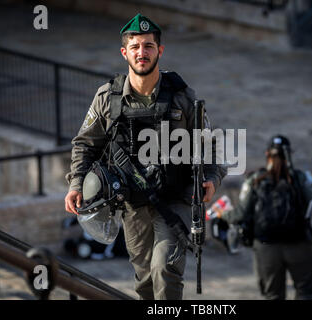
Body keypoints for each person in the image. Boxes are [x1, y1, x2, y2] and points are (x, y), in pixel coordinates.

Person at [64, 13, 226, 300]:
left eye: (149, 46)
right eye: (136, 46)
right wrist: (76, 183)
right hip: (131, 203)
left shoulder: (182, 97)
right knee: (145, 281)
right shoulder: (107, 98)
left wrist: (211, 177)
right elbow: (85, 144)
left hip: (175, 200)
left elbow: (210, 145)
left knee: (165, 269)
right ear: (124, 52)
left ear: (159, 51)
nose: (142, 52)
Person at [217, 135, 312, 300]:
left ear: (267, 154)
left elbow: (240, 214)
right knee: (305, 292)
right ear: (290, 154)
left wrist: (222, 214)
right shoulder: (299, 179)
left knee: (273, 295)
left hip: (266, 248)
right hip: (300, 244)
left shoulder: (255, 180)